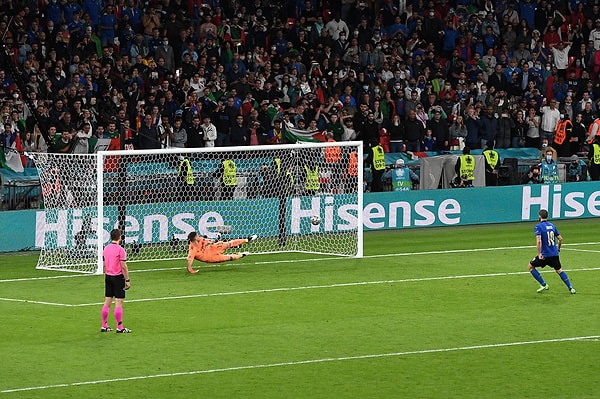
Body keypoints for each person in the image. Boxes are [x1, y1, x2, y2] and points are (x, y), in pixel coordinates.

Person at [528, 209, 576, 294]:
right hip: (554, 254)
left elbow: (539, 241)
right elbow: (560, 239)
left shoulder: (538, 227)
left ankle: (543, 284)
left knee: (530, 266)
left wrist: (539, 254)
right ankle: (571, 288)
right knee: (559, 270)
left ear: (539, 216)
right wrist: (558, 248)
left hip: (544, 255)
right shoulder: (552, 226)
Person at [101, 228, 132, 333]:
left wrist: (107, 273)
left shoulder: (106, 248)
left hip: (108, 276)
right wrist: (127, 280)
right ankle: (120, 327)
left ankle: (104, 325)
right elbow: (124, 266)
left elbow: (104, 264)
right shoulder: (120, 250)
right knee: (118, 302)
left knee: (107, 301)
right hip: (118, 277)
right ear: (120, 237)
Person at [186, 231, 257, 274]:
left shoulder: (200, 239)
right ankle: (242, 254)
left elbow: (207, 241)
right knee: (229, 257)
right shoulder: (192, 250)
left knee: (228, 243)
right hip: (210, 258)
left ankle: (247, 240)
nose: (198, 236)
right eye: (197, 235)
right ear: (195, 238)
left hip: (213, 248)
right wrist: (191, 270)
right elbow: (189, 260)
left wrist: (212, 241)